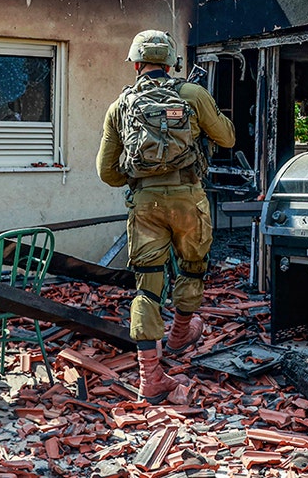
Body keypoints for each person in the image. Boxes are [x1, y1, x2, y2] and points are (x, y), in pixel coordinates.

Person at [96, 30, 235, 404]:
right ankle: (180, 333)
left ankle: (151, 376)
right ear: (172, 63)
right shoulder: (191, 95)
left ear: (137, 64)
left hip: (146, 204)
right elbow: (227, 138)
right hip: (189, 198)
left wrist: (142, 179)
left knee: (148, 285)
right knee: (191, 268)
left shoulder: (120, 105)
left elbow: (106, 173)